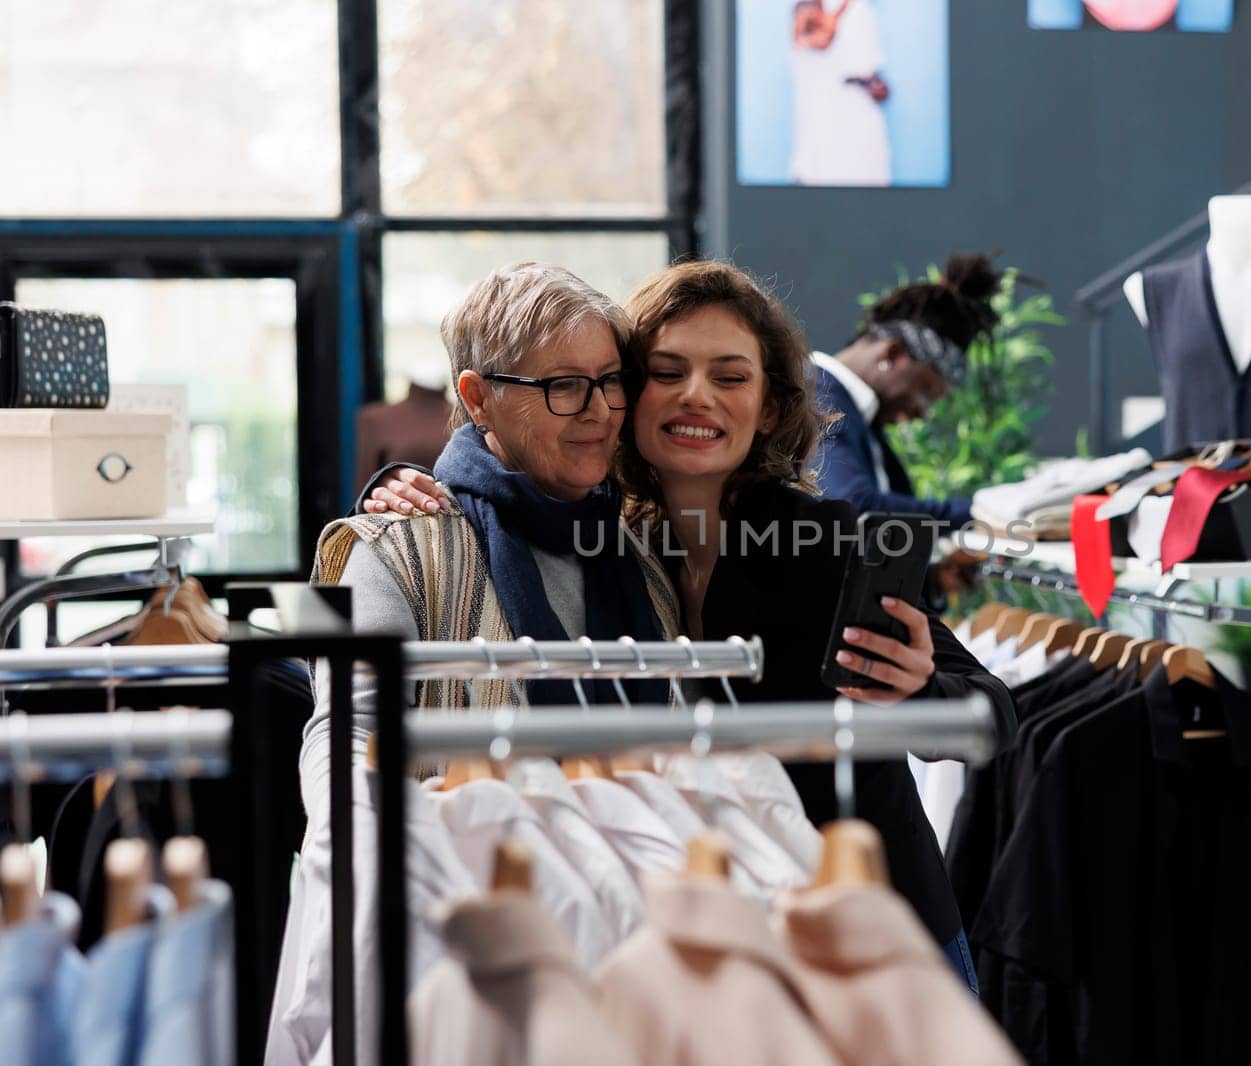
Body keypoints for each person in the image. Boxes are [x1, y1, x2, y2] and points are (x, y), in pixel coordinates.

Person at [359, 260, 1015, 990]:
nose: (696, 396)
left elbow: (993, 713)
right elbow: (497, 490)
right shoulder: (615, 546)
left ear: (767, 407)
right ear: (631, 396)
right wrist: (399, 490)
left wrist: (917, 692)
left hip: (875, 936)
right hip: (707, 947)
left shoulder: (827, 545)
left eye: (731, 377)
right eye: (667, 372)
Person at [300, 262, 673, 828]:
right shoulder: (385, 552)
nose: (598, 410)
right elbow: (346, 737)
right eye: (564, 385)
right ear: (478, 399)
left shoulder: (642, 566)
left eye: (610, 380)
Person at [809, 251, 1004, 534]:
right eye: (925, 391)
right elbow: (852, 509)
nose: (922, 412)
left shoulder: (854, 414)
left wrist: (935, 578)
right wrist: (981, 513)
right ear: (893, 352)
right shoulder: (815, 395)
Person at [789, 0, 892, 186]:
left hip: (863, 123)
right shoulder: (808, 6)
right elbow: (819, 38)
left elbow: (871, 71)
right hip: (826, 122)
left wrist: (876, 86)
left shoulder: (864, 11)